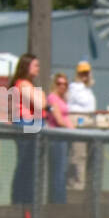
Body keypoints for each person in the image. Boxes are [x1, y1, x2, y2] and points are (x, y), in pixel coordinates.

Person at [9, 54, 44, 206]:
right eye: (35, 65)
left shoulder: (30, 85)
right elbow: (40, 103)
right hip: (26, 126)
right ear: (26, 66)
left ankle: (27, 199)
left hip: (34, 126)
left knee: (31, 165)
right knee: (25, 163)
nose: (38, 68)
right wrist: (42, 97)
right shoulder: (23, 84)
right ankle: (20, 199)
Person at [66, 61, 97, 190]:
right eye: (82, 73)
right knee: (78, 154)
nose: (85, 75)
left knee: (86, 154)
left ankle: (82, 183)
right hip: (79, 120)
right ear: (77, 74)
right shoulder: (74, 88)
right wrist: (80, 123)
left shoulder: (87, 89)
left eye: (87, 73)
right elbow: (73, 109)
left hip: (88, 121)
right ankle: (77, 184)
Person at [45, 71, 72, 204]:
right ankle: (57, 203)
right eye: (59, 83)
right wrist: (72, 130)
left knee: (63, 171)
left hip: (65, 138)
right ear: (54, 84)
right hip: (56, 138)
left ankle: (60, 201)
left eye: (65, 84)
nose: (62, 86)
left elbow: (66, 118)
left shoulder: (63, 99)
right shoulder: (52, 98)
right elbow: (59, 120)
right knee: (58, 172)